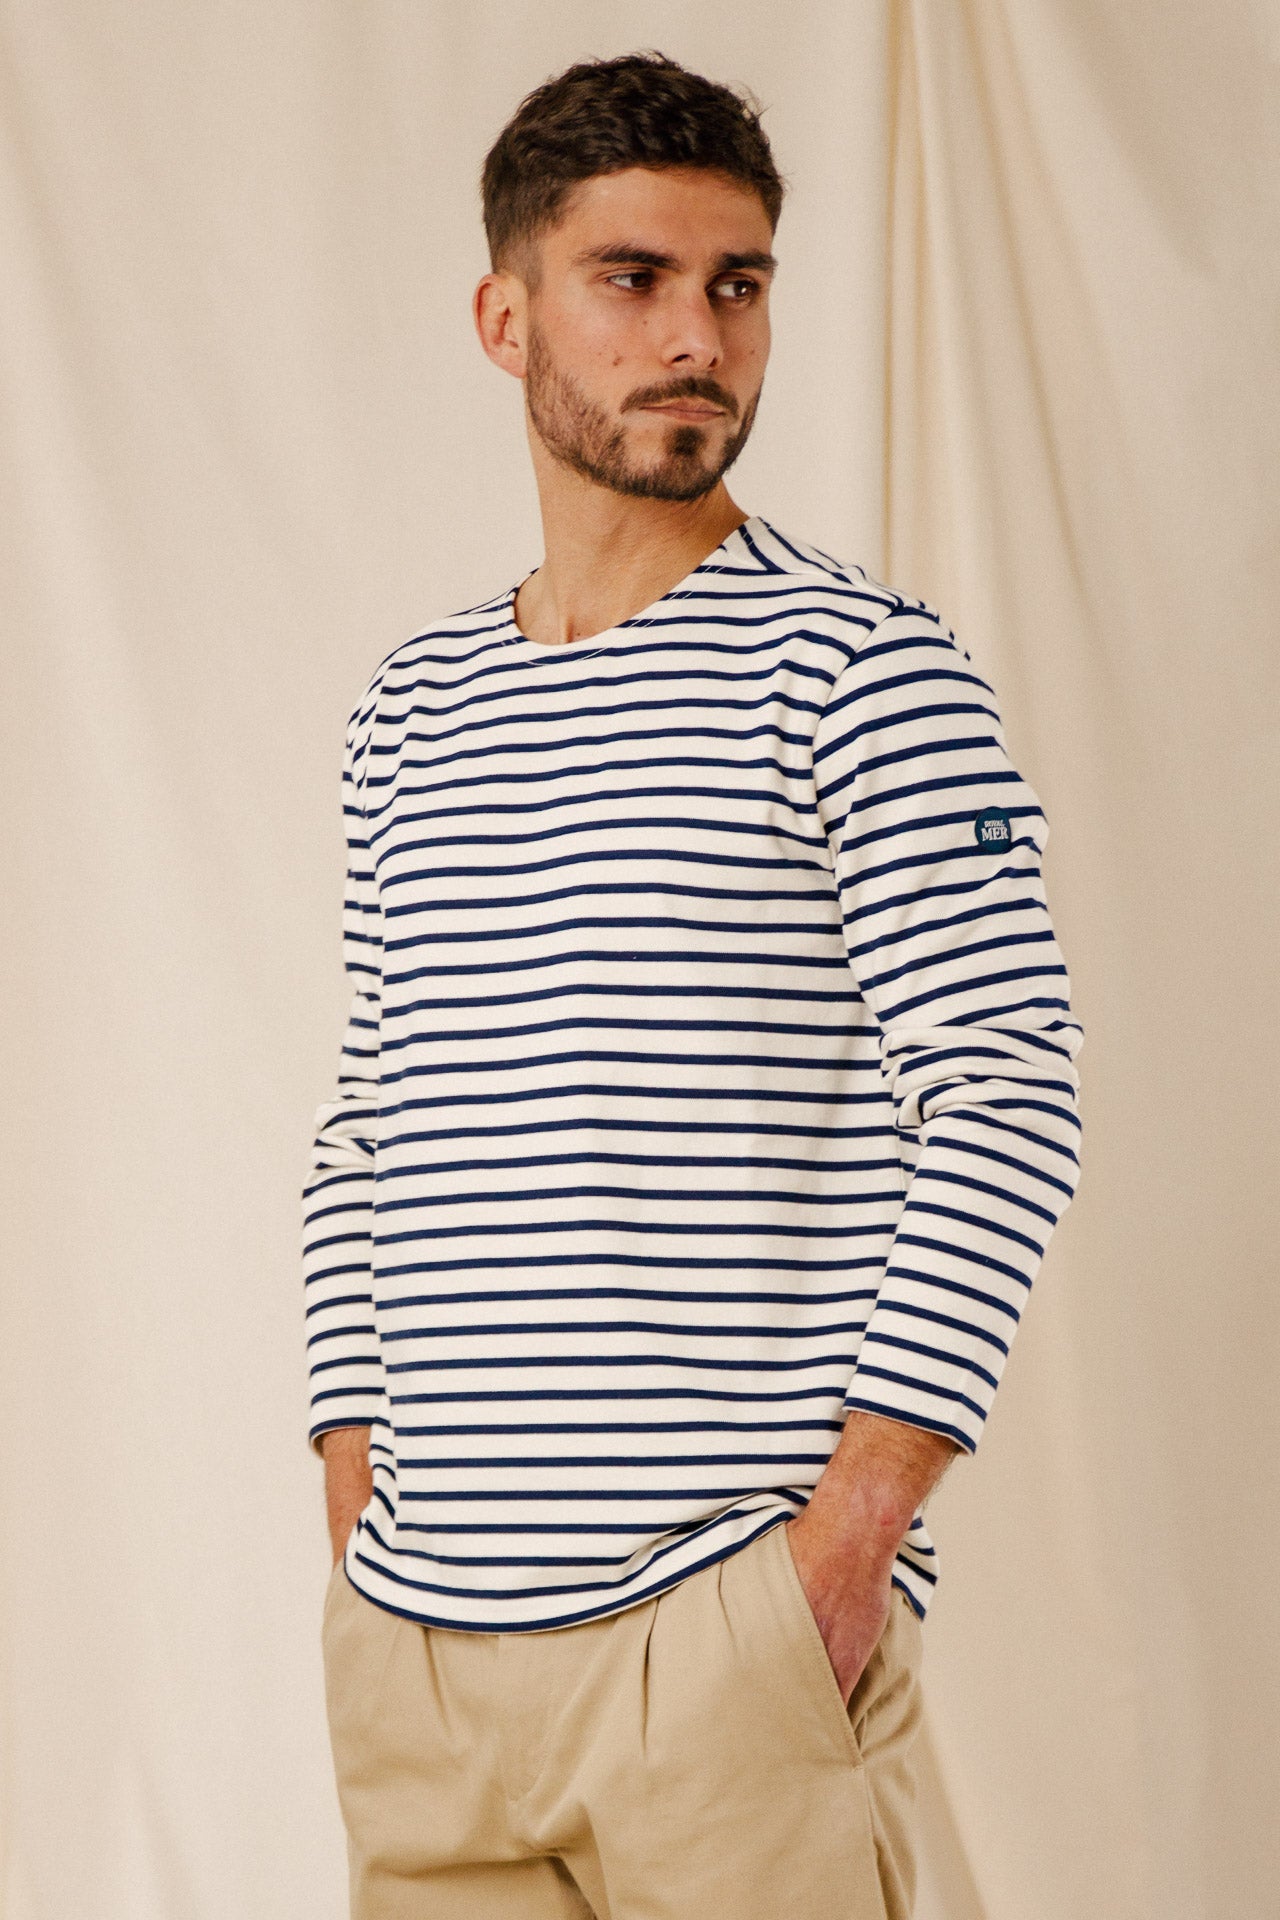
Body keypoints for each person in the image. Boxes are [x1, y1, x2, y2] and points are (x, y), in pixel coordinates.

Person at [302, 48, 1083, 1920]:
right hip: (423, 1658)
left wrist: (848, 1545)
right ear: (505, 318)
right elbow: (370, 1121)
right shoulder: (414, 711)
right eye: (632, 278)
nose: (697, 339)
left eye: (738, 286)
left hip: (724, 1635)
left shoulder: (865, 672)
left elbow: (1006, 1093)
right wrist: (355, 1490)